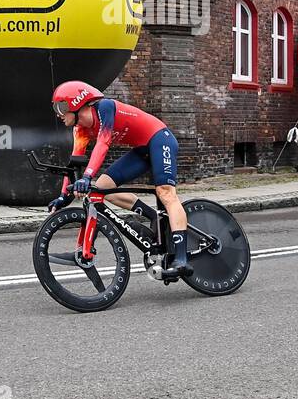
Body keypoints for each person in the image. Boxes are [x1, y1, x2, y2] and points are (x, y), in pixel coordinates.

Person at [48, 80, 192, 277]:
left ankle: (182, 260)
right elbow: (74, 163)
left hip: (160, 139)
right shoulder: (80, 130)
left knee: (165, 193)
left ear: (77, 103)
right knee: (101, 188)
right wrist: (63, 196)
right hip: (141, 151)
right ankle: (154, 218)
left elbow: (103, 143)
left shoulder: (104, 108)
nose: (58, 114)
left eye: (61, 107)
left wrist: (88, 176)